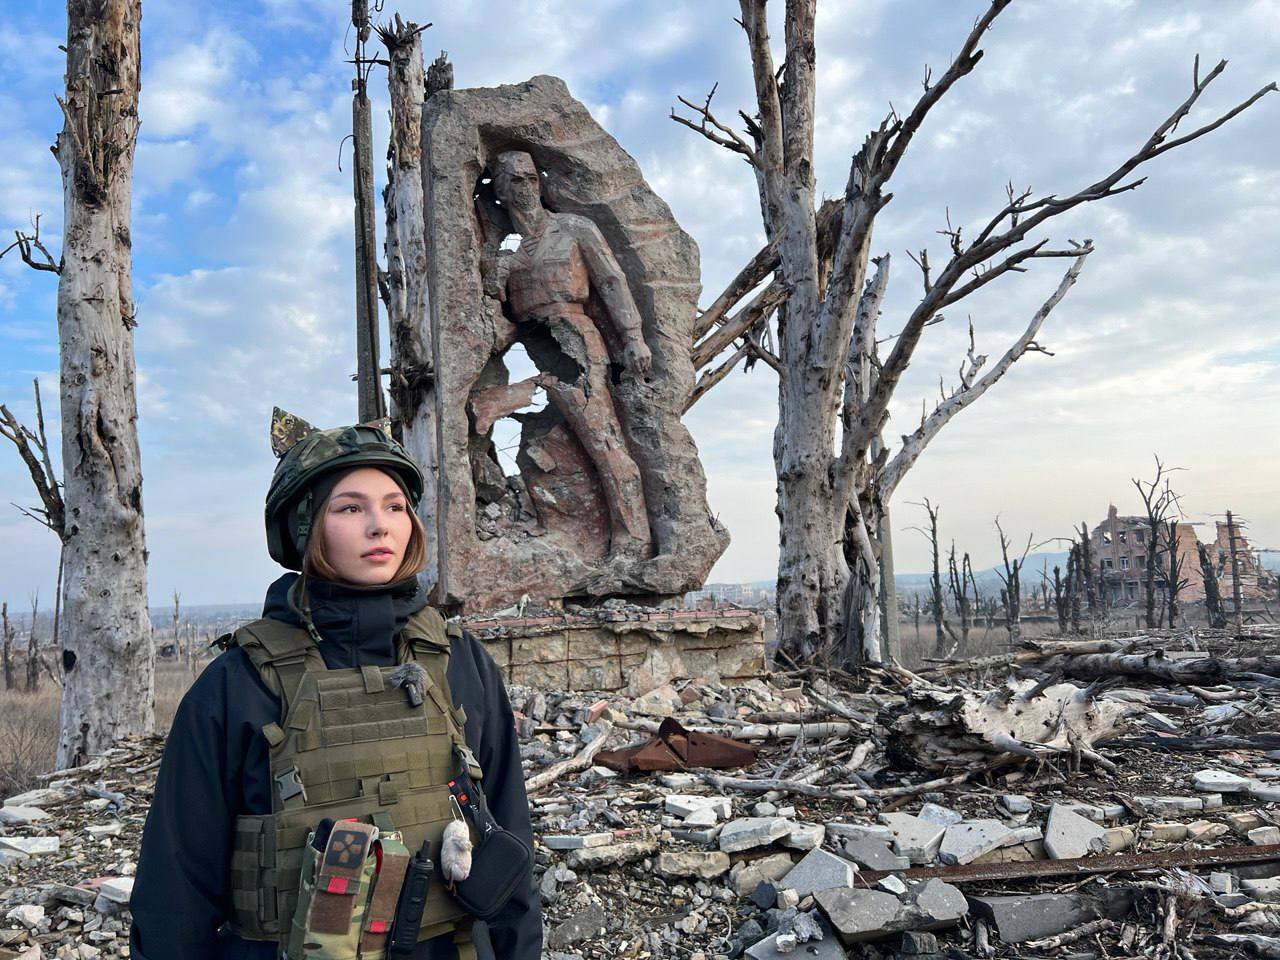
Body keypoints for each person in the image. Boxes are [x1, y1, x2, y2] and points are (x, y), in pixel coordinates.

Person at [129, 412, 542, 960]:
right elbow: (176, 890)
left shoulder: (459, 661)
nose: (382, 525)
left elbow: (510, 843)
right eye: (350, 507)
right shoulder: (239, 683)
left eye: (395, 506)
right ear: (303, 526)